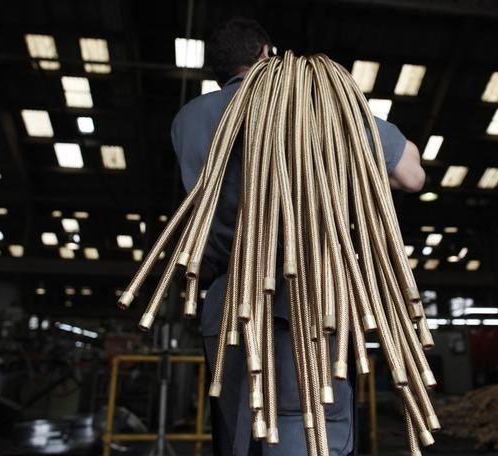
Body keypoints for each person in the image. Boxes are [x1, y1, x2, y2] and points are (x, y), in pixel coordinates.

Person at [170, 17, 425, 456]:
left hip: (228, 304)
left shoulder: (189, 119)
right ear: (268, 54)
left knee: (239, 436)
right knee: (306, 429)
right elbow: (411, 176)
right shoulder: (319, 104)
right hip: (311, 299)